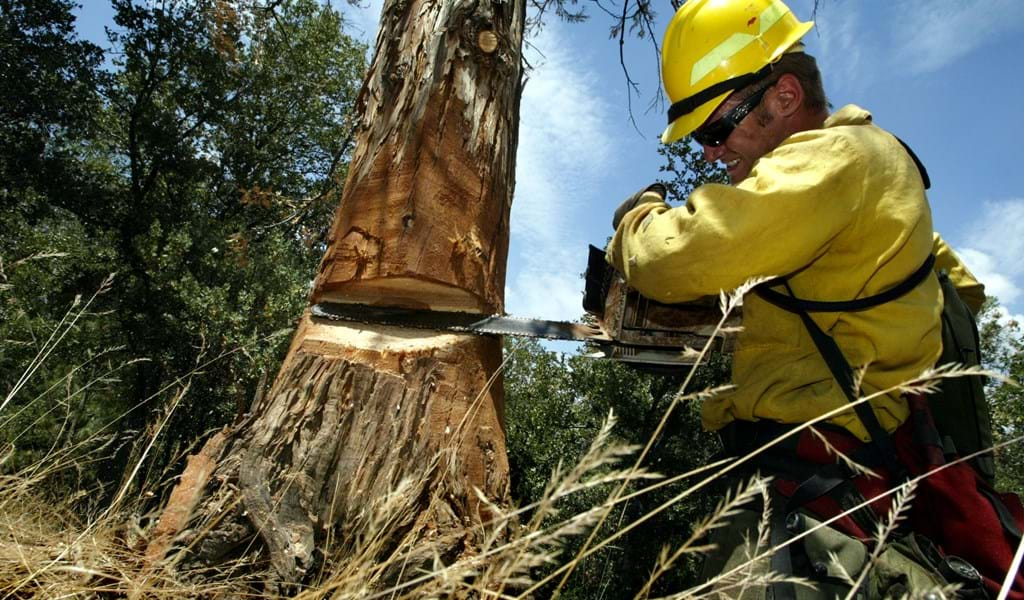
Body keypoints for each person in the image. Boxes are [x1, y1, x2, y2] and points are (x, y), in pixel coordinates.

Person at [605, 0, 993, 597]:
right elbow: (959, 289)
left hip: (812, 488)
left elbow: (673, 257)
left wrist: (636, 220)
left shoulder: (840, 157)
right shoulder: (865, 179)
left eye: (714, 128)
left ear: (784, 96)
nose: (710, 151)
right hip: (845, 480)